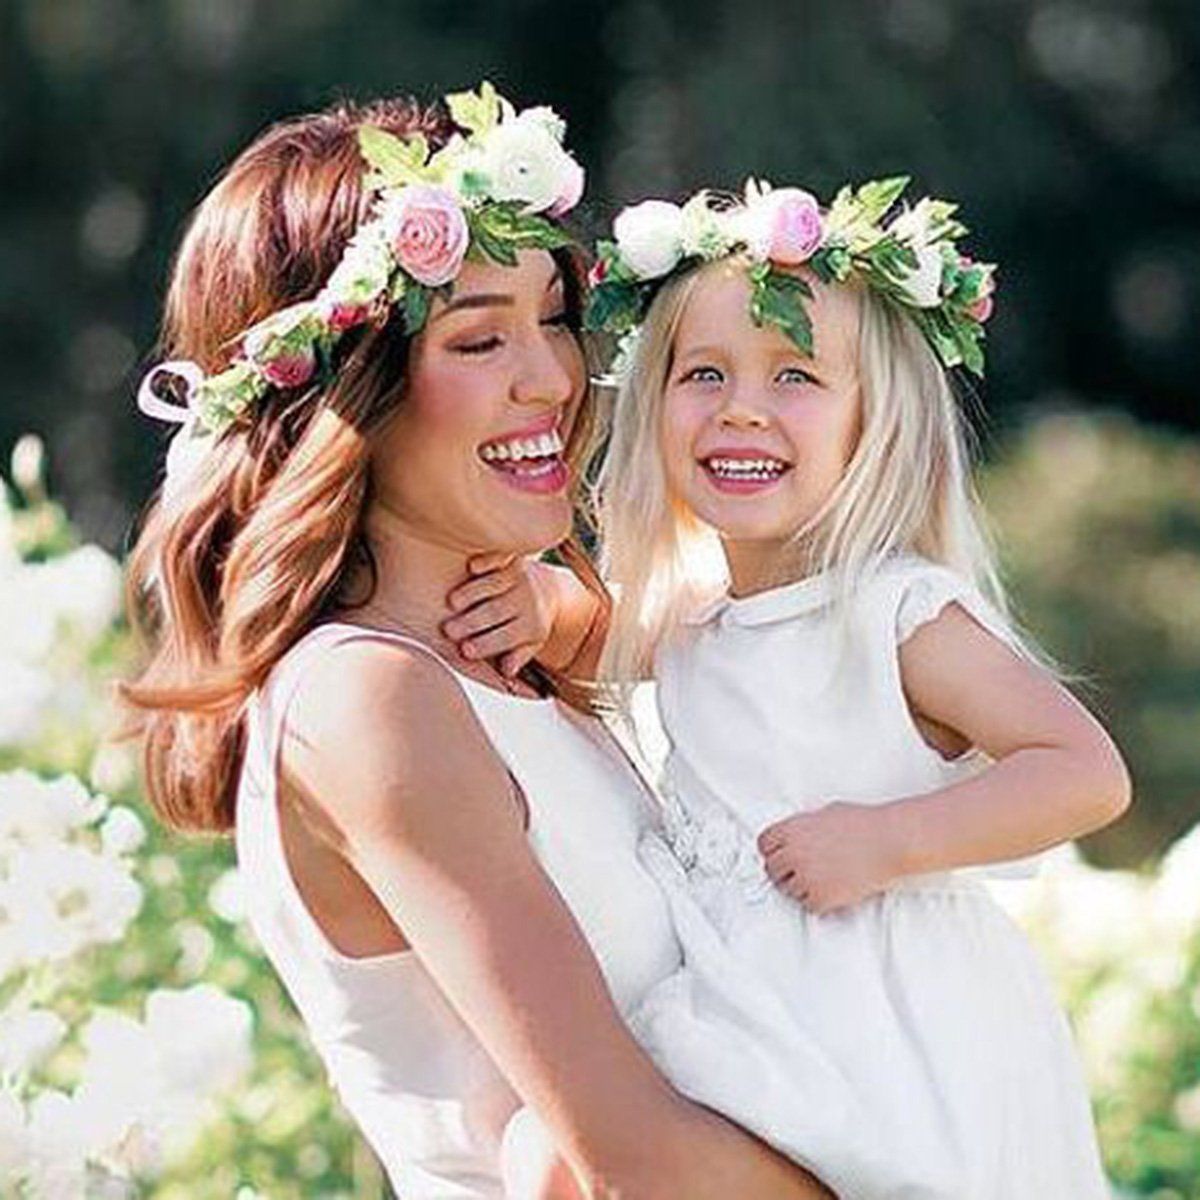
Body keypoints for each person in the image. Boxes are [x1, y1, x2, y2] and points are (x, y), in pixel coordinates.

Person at [120, 89, 852, 1199]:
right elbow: (630, 1165)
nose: (552, 380)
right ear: (343, 391)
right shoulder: (368, 699)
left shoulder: (502, 664)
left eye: (554, 316)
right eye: (477, 338)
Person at [449, 179, 1131, 1196]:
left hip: (889, 1027)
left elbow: (1084, 773)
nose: (743, 411)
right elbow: (608, 632)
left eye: (796, 377)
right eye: (706, 373)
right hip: (748, 1003)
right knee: (557, 1148)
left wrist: (888, 840)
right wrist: (543, 611)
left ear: (875, 423)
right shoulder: (691, 609)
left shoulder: (893, 614)